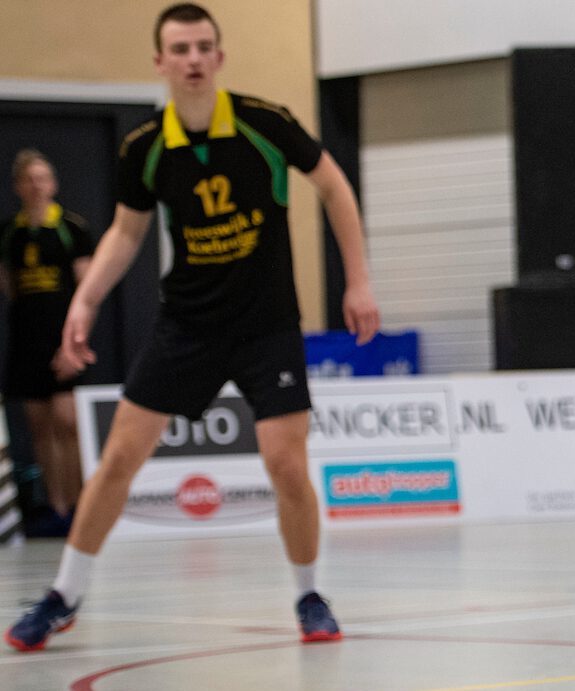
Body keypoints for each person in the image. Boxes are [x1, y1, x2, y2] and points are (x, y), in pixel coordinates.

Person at [5, 3, 380, 652]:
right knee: (119, 459)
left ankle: (309, 595)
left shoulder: (265, 123)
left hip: (267, 325)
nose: (194, 59)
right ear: (161, 62)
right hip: (187, 326)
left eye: (204, 47)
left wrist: (359, 280)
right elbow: (126, 233)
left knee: (286, 464)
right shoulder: (145, 147)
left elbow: (333, 186)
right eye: (180, 49)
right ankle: (63, 595)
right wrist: (84, 302)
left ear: (220, 56)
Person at [0, 150, 93, 537]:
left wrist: (73, 343)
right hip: (27, 341)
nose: (36, 186)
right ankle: (55, 506)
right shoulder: (10, 232)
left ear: (52, 183)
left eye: (42, 178)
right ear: (18, 186)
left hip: (64, 340)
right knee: (39, 427)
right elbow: (10, 287)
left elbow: (87, 290)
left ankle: (79, 505)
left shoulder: (71, 228)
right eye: (29, 179)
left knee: (68, 423)